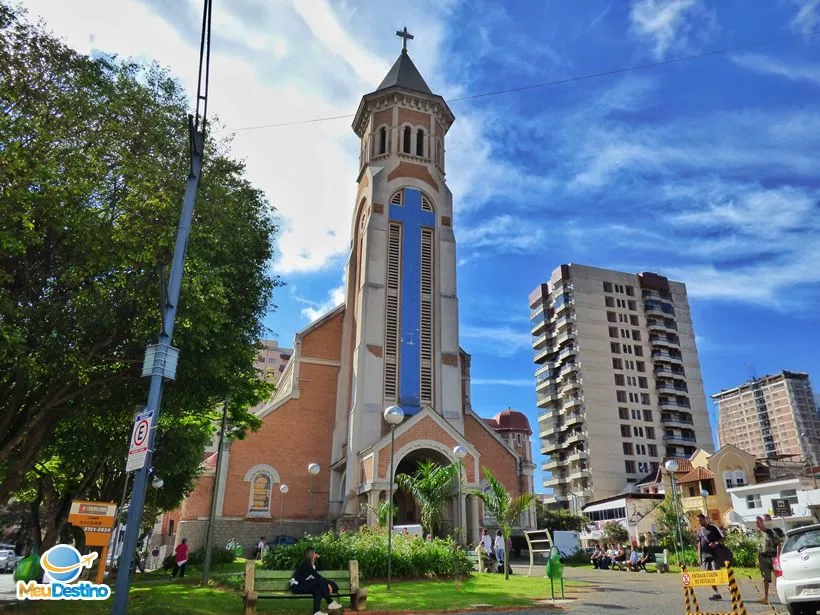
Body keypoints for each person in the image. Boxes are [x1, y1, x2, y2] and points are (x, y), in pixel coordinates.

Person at [290, 547, 341, 615]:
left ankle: (316, 612)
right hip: (297, 586)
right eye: (314, 553)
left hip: (305, 585)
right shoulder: (305, 564)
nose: (316, 554)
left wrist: (319, 558)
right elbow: (317, 576)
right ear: (311, 554)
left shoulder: (312, 565)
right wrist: (328, 584)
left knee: (318, 589)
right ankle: (330, 602)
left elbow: (322, 569)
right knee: (319, 581)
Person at [696, 513, 727, 601]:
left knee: (716, 573)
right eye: (698, 521)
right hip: (705, 556)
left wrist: (715, 543)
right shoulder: (699, 531)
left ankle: (730, 586)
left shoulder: (713, 528)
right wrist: (699, 557)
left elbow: (723, 538)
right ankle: (716, 593)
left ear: (704, 519)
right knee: (709, 576)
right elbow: (699, 544)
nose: (699, 522)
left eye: (700, 520)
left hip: (714, 554)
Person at [755, 515, 781, 604]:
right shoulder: (758, 533)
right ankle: (766, 598)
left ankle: (782, 596)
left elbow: (778, 544)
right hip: (763, 558)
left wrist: (778, 557)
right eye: (756, 522)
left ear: (763, 522)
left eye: (758, 522)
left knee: (778, 577)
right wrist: (758, 559)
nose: (757, 524)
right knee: (765, 579)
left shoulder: (771, 532)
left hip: (773, 557)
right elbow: (759, 547)